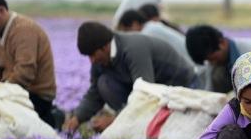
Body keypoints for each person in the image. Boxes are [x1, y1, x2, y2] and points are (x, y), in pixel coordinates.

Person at [63, 21, 196, 132]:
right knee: (103, 83)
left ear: (105, 47)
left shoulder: (133, 50)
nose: (91, 61)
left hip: (181, 86)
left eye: (92, 55)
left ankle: (137, 124)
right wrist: (78, 117)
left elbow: (146, 95)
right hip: (154, 90)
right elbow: (95, 93)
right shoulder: (100, 60)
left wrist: (116, 120)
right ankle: (134, 122)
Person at [0, 0, 60, 129]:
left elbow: (25, 74)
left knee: (1, 129)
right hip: (10, 92)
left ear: (1, 11)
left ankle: (52, 117)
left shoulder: (24, 30)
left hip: (34, 94)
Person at [118, 9, 195, 69]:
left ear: (135, 24)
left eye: (126, 30)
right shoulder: (151, 26)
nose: (127, 35)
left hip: (192, 65)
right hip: (191, 61)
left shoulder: (147, 33)